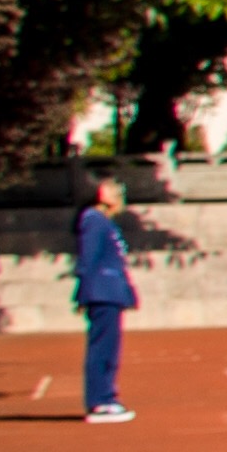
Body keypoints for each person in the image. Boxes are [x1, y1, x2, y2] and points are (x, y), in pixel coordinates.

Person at [70, 166, 139, 421]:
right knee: (102, 349)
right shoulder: (93, 219)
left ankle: (106, 397)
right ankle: (100, 401)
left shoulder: (103, 220)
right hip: (101, 291)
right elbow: (88, 259)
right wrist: (83, 292)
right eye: (111, 187)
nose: (118, 192)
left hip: (110, 291)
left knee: (110, 348)